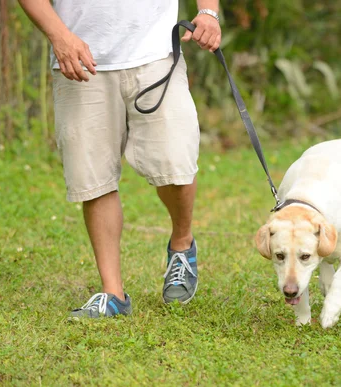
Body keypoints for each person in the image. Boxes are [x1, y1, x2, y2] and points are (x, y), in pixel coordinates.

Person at [18, 0, 221, 317]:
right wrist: (58, 35)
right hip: (79, 57)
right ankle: (113, 294)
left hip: (155, 52)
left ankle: (182, 243)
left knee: (176, 164)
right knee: (93, 179)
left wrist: (208, 12)